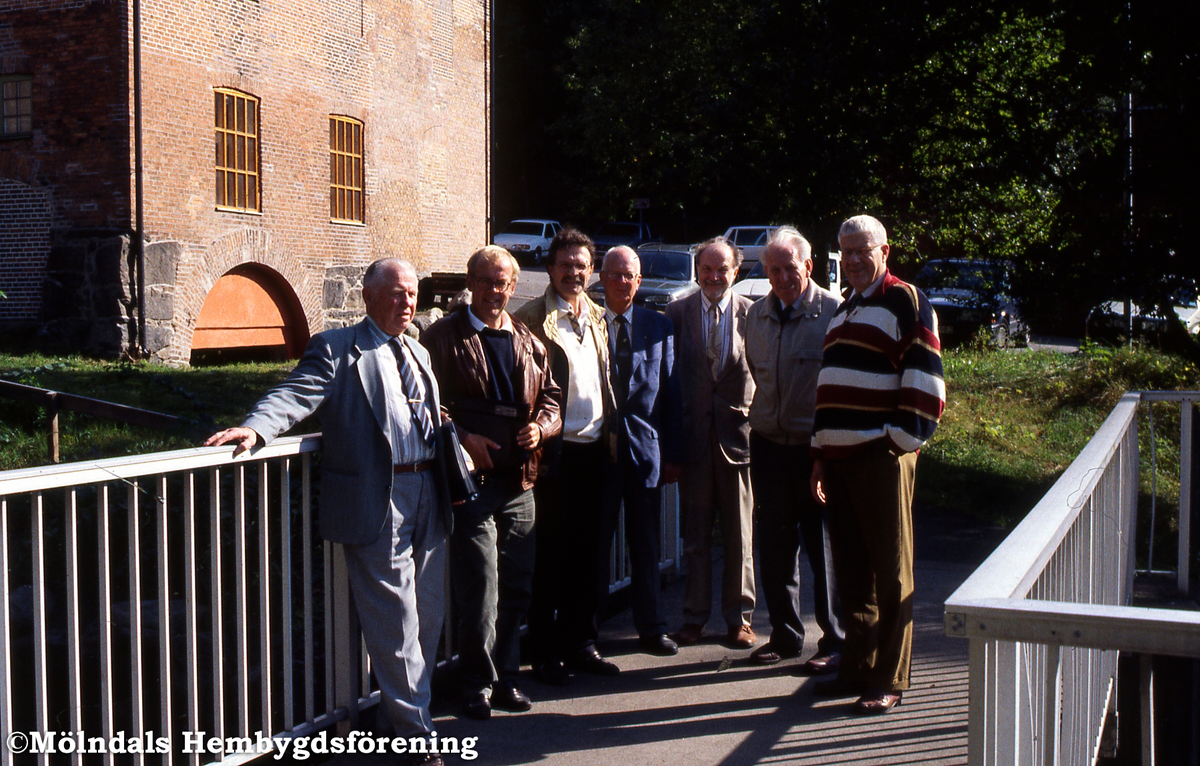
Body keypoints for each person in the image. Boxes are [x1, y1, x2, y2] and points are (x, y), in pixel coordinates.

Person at [204, 258, 448, 765]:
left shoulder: (419, 351)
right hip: (378, 502)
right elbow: (295, 393)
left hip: (430, 489)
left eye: (412, 294)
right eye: (396, 294)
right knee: (396, 624)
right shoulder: (338, 349)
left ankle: (395, 716)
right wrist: (256, 428)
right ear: (368, 295)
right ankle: (419, 738)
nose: (407, 303)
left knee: (427, 616)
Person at [809, 215, 945, 714]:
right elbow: (830, 389)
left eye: (863, 251)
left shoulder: (905, 300)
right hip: (840, 461)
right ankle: (857, 668)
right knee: (851, 573)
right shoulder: (845, 308)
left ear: (885, 251)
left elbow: (926, 377)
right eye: (846, 253)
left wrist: (900, 441)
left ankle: (889, 677)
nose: (853, 260)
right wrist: (821, 453)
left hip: (880, 457)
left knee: (891, 573)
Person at [420, 246, 562, 720]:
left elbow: (551, 399)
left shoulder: (529, 339)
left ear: (514, 286)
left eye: (502, 283)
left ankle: (507, 678)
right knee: (481, 584)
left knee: (518, 584)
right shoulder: (441, 337)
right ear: (470, 282)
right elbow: (426, 403)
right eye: (484, 281)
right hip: (471, 480)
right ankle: (476, 683)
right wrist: (461, 437)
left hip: (520, 481)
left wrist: (541, 428)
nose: (493, 291)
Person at [514, 227, 620, 683]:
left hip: (596, 450)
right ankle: (544, 652)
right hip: (554, 454)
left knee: (589, 555)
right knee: (549, 558)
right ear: (550, 269)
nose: (573, 273)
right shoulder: (531, 318)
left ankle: (583, 644)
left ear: (591, 270)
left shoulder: (597, 315)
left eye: (581, 265)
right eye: (565, 265)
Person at [745, 227, 845, 669]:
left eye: (790, 267)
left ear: (808, 266)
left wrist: (825, 452)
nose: (782, 277)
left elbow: (843, 390)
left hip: (815, 450)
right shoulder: (755, 315)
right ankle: (785, 636)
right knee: (776, 545)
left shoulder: (834, 314)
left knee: (823, 547)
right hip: (767, 445)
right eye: (774, 269)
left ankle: (836, 641)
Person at [665, 237, 758, 650]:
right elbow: (668, 380)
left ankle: (739, 618)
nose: (714, 277)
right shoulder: (677, 313)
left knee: (740, 536)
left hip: (739, 440)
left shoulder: (754, 315)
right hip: (696, 443)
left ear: (735, 272)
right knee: (696, 537)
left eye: (722, 270)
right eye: (707, 269)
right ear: (696, 270)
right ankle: (694, 617)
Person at [597, 246, 685, 657]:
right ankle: (586, 634)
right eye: (613, 274)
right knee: (595, 545)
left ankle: (651, 628)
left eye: (628, 275)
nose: (621, 282)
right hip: (598, 455)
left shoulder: (660, 327)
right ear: (602, 277)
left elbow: (671, 394)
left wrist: (672, 454)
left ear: (639, 277)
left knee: (646, 544)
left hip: (645, 454)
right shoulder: (588, 324)